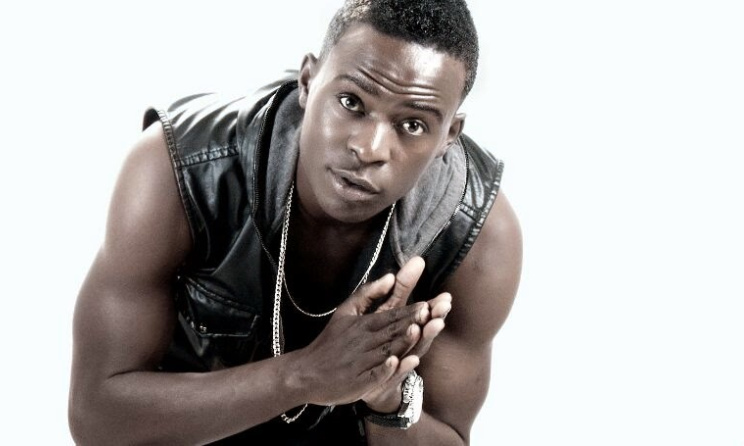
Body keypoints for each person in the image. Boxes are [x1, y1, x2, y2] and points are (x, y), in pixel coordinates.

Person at [68, 0, 522, 444]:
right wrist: (305, 375)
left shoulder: (478, 236)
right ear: (308, 81)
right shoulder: (181, 167)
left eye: (413, 125)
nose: (369, 148)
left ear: (449, 136)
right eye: (351, 101)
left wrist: (387, 399)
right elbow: (96, 417)